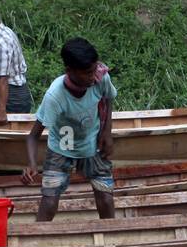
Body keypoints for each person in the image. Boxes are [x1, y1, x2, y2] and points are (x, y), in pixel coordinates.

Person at [21, 38, 117, 222]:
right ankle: (39, 238)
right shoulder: (55, 96)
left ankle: (110, 240)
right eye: (87, 73)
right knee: (49, 200)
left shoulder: (100, 77)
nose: (92, 76)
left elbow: (108, 98)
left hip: (92, 143)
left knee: (105, 195)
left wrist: (107, 132)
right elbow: (33, 136)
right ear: (69, 71)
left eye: (94, 70)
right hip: (62, 147)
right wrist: (32, 164)